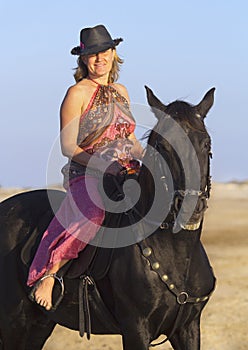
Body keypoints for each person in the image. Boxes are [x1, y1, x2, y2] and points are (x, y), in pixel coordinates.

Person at [27, 24, 143, 311]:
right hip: (88, 174)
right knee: (93, 214)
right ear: (82, 59)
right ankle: (51, 274)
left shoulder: (122, 90)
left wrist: (151, 155)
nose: (99, 58)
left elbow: (128, 136)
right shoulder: (76, 93)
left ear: (114, 54)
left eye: (104, 52)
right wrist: (103, 165)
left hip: (125, 170)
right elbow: (68, 146)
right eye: (92, 54)